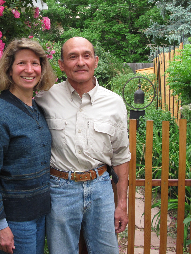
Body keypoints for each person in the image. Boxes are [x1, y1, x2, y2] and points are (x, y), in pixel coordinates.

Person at [35, 37, 131, 254]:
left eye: (86, 56)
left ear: (95, 61)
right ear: (61, 64)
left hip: (101, 188)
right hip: (59, 189)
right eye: (73, 56)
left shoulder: (114, 103)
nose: (81, 62)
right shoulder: (44, 98)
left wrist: (122, 204)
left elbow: (121, 156)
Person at [0, 38, 56, 254]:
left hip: (40, 213)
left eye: (35, 63)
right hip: (14, 220)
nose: (29, 70)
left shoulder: (37, 108)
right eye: (22, 63)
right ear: (9, 69)